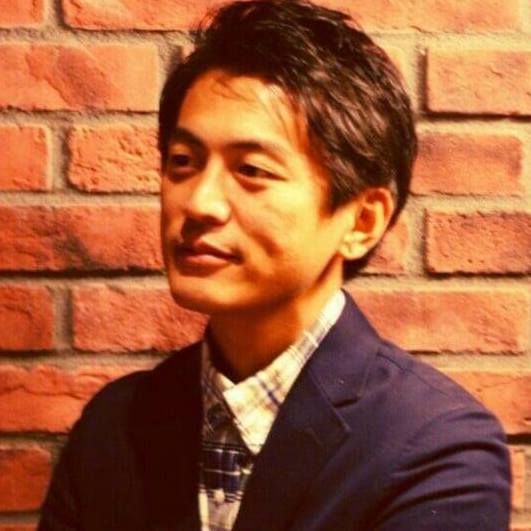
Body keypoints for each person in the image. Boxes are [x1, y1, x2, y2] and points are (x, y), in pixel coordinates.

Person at [38, 1, 511, 530]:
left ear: (362, 220)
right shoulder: (114, 428)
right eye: (183, 162)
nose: (200, 203)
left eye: (252, 170)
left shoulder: (436, 449)